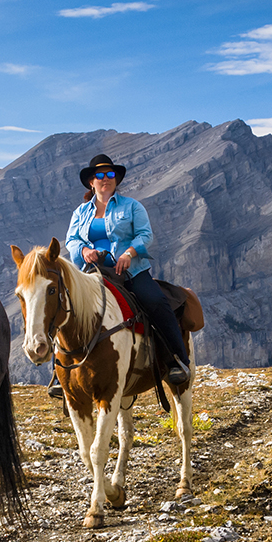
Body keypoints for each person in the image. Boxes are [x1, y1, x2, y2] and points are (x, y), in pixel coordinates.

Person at [63, 152, 191, 390]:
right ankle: (60, 373)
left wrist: (129, 253)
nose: (105, 178)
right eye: (99, 175)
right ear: (91, 182)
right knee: (62, 307)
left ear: (116, 180)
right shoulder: (80, 213)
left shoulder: (132, 206)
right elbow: (71, 239)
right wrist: (82, 252)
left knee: (156, 302)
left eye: (110, 174)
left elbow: (146, 235)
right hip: (92, 274)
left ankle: (177, 360)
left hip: (129, 272)